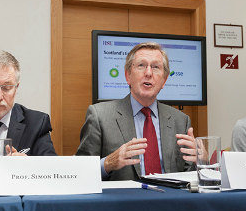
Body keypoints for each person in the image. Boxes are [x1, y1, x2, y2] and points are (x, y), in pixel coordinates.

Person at [76, 42, 197, 181]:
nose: (149, 73)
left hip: (169, 200)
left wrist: (201, 162)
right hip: (123, 201)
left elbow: (188, 176)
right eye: (141, 65)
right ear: (128, 75)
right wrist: (108, 163)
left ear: (164, 80)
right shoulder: (99, 116)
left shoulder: (181, 120)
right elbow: (80, 172)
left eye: (156, 67)